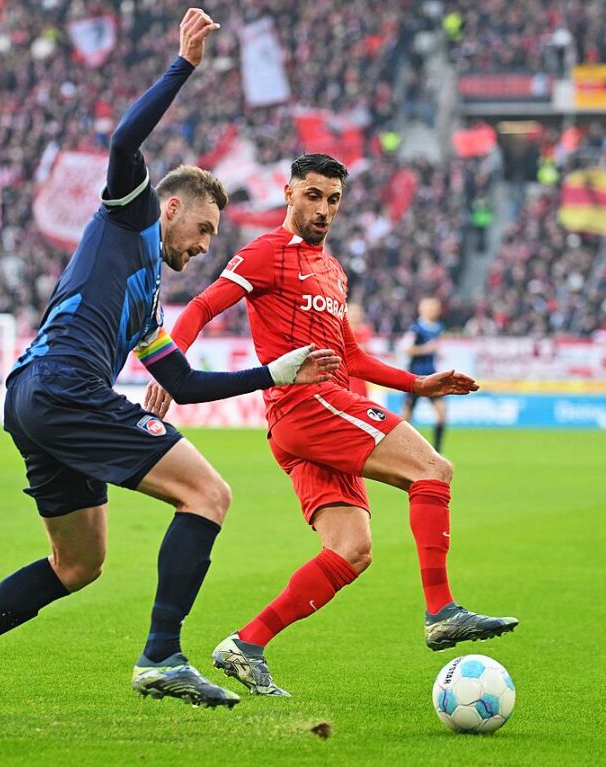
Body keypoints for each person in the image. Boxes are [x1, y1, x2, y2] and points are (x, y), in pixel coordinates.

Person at [0, 10, 340, 717]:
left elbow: (182, 383)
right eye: (202, 230)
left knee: (79, 563)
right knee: (209, 496)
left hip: (33, 397)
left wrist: (275, 372)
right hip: (64, 387)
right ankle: (162, 655)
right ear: (171, 208)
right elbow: (124, 139)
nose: (202, 247)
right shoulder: (130, 217)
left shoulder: (146, 306)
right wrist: (184, 65)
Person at [145, 153, 518, 697]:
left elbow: (353, 356)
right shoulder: (264, 254)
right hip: (307, 404)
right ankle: (441, 611)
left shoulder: (332, 270)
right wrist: (168, 364)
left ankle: (246, 644)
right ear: (290, 193)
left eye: (334, 200)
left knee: (351, 550)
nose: (324, 209)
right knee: (433, 469)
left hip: (312, 418)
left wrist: (418, 385)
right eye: (313, 196)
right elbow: (202, 307)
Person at [400, 297, 448, 453]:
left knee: (441, 414)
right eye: (429, 307)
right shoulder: (415, 329)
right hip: (415, 377)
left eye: (435, 307)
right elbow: (407, 349)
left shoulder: (438, 327)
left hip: (432, 376)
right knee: (405, 417)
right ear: (422, 309)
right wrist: (426, 349)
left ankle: (437, 452)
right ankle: (403, 449)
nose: (433, 310)